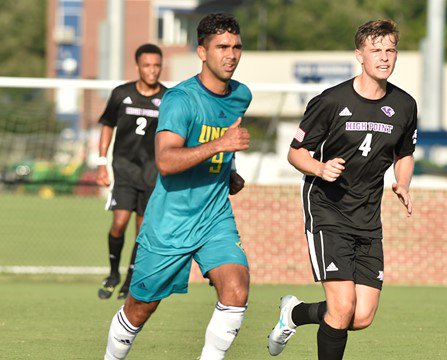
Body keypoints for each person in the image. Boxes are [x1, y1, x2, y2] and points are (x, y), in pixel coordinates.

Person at [104, 13, 252, 360]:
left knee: (236, 288)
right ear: (202, 52)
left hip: (215, 218)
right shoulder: (180, 99)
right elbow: (167, 162)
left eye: (236, 47)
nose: (231, 54)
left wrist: (228, 171)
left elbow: (222, 141)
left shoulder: (241, 95)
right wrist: (220, 147)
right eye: (222, 47)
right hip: (170, 221)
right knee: (140, 308)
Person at [268, 20, 417, 359]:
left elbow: (404, 153)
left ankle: (294, 313)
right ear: (359, 55)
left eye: (390, 49)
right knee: (342, 306)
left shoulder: (405, 106)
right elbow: (295, 153)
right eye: (375, 50)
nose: (384, 57)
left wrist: (403, 183)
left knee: (360, 316)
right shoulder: (330, 101)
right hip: (327, 210)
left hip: (367, 217)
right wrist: (319, 168)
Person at [96, 44, 167, 300]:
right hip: (124, 171)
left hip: (153, 175)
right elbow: (107, 126)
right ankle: (113, 273)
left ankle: (129, 280)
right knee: (119, 223)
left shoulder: (168, 98)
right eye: (147, 65)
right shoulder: (121, 94)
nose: (152, 70)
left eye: (157, 65)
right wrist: (101, 162)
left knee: (142, 230)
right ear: (138, 66)